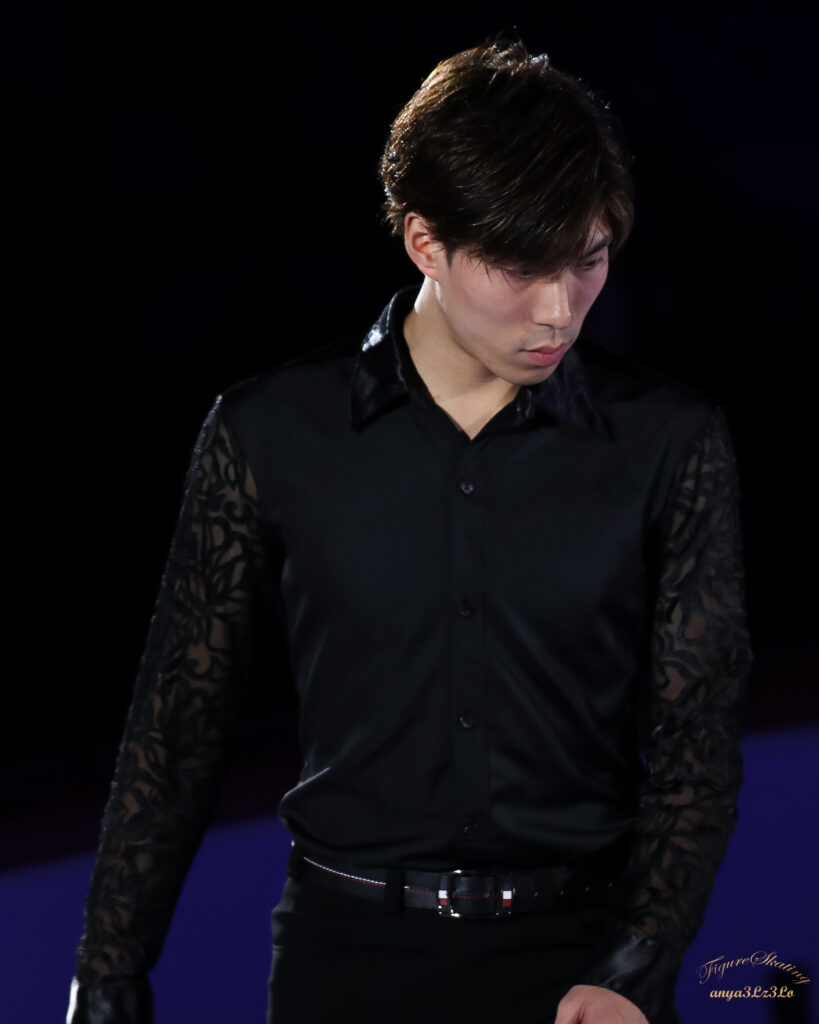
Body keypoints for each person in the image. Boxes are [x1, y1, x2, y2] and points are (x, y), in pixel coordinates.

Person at [67, 38, 753, 1024]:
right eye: (520, 266)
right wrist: (107, 974)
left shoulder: (668, 441)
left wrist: (639, 962)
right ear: (425, 242)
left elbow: (699, 733)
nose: (560, 310)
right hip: (343, 964)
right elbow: (178, 722)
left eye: (589, 259)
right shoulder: (270, 432)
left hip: (582, 965)